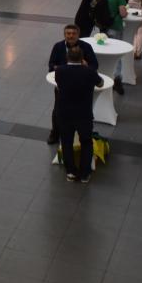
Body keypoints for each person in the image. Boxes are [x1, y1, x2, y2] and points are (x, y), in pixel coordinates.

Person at [46, 24, 99, 145]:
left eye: (73, 33)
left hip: (81, 86)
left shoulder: (86, 47)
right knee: (57, 109)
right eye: (68, 33)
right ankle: (55, 133)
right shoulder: (58, 46)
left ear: (78, 35)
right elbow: (51, 64)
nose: (71, 36)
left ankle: (82, 134)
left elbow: (95, 65)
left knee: (81, 111)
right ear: (64, 35)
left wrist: (86, 66)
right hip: (62, 86)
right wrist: (58, 68)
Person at [54, 46, 100, 182]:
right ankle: (85, 173)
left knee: (67, 142)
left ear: (67, 57)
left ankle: (71, 172)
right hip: (84, 113)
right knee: (86, 142)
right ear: (82, 58)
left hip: (64, 113)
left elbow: (59, 84)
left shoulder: (60, 71)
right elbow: (100, 83)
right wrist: (86, 67)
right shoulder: (89, 71)